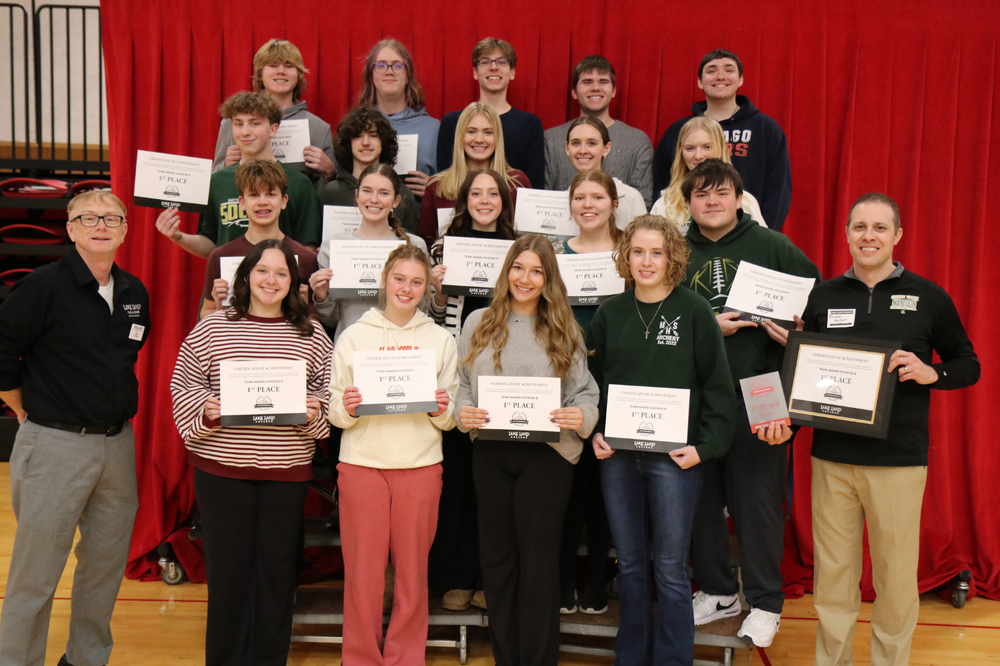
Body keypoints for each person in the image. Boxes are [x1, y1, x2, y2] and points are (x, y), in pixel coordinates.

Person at [797, 193, 980, 666]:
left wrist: (930, 372)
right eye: (859, 227)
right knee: (833, 575)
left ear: (898, 236)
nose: (869, 236)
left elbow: (969, 364)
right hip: (832, 459)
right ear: (847, 234)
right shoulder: (823, 295)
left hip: (898, 462)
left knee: (896, 578)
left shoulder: (928, 296)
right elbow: (805, 374)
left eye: (880, 228)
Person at [0, 191, 151, 666]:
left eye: (112, 218)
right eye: (88, 218)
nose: (101, 225)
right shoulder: (43, 286)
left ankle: (86, 659)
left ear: (126, 229)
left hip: (116, 447)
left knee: (104, 569)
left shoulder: (134, 293)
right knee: (36, 574)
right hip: (54, 446)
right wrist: (24, 410)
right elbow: (2, 350)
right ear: (70, 228)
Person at [170, 239, 332, 666]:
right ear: (246, 276)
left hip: (286, 472)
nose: (271, 280)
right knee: (228, 576)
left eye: (282, 273)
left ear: (292, 283)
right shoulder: (213, 326)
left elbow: (328, 397)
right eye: (262, 271)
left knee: (278, 576)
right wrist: (205, 411)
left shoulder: (312, 332)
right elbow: (183, 384)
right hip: (222, 471)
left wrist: (312, 414)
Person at [680, 159, 820, 648]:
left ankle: (765, 602)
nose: (712, 202)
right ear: (688, 202)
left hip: (761, 391)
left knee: (758, 499)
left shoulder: (772, 245)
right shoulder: (675, 249)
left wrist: (799, 333)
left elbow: (813, 309)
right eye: (701, 194)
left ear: (739, 198)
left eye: (721, 193)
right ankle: (718, 591)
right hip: (698, 396)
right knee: (698, 499)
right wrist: (705, 329)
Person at [588, 214, 735, 666]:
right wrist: (594, 430)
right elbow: (591, 384)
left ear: (672, 256)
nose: (646, 261)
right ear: (624, 257)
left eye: (657, 252)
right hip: (617, 459)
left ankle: (674, 661)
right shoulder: (610, 312)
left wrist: (704, 447)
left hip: (675, 459)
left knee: (670, 569)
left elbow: (718, 388)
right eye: (637, 252)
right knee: (630, 565)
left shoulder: (694, 311)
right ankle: (631, 658)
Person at [457, 235, 599, 666]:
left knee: (538, 565)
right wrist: (465, 413)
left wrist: (581, 417)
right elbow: (464, 389)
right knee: (497, 562)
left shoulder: (564, 327)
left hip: (547, 458)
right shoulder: (478, 322)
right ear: (507, 271)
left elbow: (585, 394)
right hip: (492, 456)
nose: (526, 278)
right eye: (519, 267)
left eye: (537, 271)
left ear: (548, 278)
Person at [330, 243, 458, 666]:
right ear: (384, 279)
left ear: (427, 287)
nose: (407, 288)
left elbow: (450, 417)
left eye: (417, 281)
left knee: (412, 577)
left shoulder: (440, 340)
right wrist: (346, 406)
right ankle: (361, 659)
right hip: (362, 468)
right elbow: (334, 409)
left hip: (420, 467)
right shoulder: (353, 336)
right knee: (363, 579)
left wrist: (442, 408)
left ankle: (406, 659)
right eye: (399, 278)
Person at [426, 168, 518, 611]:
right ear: (464, 201)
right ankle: (455, 575)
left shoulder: (518, 248)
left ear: (504, 201)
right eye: (476, 193)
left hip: (505, 373)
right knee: (457, 481)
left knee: (495, 486)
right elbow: (432, 310)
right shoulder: (443, 247)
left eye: (493, 193)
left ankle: (489, 577)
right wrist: (439, 291)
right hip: (458, 371)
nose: (485, 200)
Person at [553, 170, 622, 615]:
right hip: (565, 382)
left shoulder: (629, 254)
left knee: (604, 487)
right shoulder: (557, 255)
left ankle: (596, 577)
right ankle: (562, 581)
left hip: (617, 379)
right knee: (565, 487)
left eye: (598, 196)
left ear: (614, 203)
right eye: (580, 197)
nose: (589, 204)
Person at [156, 91, 321, 258]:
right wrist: (178, 237)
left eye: (255, 124)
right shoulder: (217, 182)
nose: (245, 132)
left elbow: (306, 249)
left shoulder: (299, 183)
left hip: (277, 282)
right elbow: (211, 244)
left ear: (273, 129)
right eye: (238, 124)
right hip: (229, 282)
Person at [653, 49, 792, 231]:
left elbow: (778, 190)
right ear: (699, 82)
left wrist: (760, 235)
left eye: (728, 70)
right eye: (711, 71)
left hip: (744, 231)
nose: (720, 76)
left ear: (740, 79)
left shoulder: (766, 129)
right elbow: (663, 179)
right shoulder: (678, 131)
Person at [310, 163, 428, 343]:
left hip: (403, 347)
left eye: (384, 193)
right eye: (367, 191)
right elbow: (331, 319)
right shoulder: (332, 247)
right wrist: (321, 295)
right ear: (357, 196)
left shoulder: (414, 246)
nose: (374, 199)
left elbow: (423, 310)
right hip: (352, 349)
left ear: (396, 201)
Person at [200, 160, 318, 319]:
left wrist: (302, 309)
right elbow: (206, 312)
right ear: (242, 202)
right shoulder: (220, 256)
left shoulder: (305, 259)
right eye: (254, 195)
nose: (263, 202)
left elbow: (315, 318)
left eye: (270, 194)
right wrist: (219, 309)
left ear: (283, 201)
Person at [212, 38, 336, 184]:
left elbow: (329, 193)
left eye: (289, 66)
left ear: (299, 74)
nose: (281, 71)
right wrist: (226, 165)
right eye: (273, 65)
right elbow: (214, 180)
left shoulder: (318, 128)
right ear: (260, 74)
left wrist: (330, 173)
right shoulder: (233, 122)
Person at [544, 55, 654, 207]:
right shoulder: (551, 139)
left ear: (614, 90)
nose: (595, 87)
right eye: (587, 82)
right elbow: (543, 197)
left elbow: (643, 202)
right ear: (574, 92)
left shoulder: (637, 141)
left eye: (603, 82)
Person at [436, 38, 545, 190]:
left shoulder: (530, 124)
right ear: (475, 72)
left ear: (512, 72)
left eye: (502, 62)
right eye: (485, 62)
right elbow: (446, 180)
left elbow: (535, 187)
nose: (493, 67)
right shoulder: (452, 122)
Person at [417, 102, 531, 247]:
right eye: (471, 131)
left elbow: (527, 241)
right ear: (460, 136)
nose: (479, 139)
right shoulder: (436, 186)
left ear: (498, 138)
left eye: (488, 132)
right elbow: (426, 243)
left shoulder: (518, 183)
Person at [650, 116, 765, 231]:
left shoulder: (745, 202)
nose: (699, 156)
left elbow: (764, 245)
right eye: (690, 148)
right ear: (681, 152)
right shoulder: (665, 205)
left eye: (707, 147)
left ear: (723, 147)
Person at [317, 106, 420, 234]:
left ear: (384, 142)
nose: (365, 142)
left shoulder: (403, 194)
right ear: (348, 143)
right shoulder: (328, 193)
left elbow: (410, 245)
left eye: (373, 135)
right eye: (358, 136)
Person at [357, 38, 439, 198]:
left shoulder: (434, 129)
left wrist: (435, 190)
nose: (389, 71)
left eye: (397, 65)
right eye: (380, 65)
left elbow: (452, 185)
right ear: (371, 75)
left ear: (408, 75)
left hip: (417, 220)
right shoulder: (355, 127)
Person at [564, 116, 646, 228]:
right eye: (576, 143)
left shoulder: (631, 198)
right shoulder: (560, 200)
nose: (583, 150)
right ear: (567, 149)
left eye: (592, 143)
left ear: (606, 148)